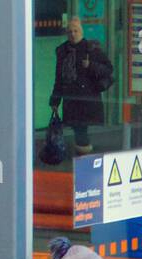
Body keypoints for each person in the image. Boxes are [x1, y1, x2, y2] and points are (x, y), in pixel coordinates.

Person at [49, 16, 114, 156]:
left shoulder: (91, 49)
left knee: (81, 130)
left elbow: (108, 69)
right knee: (79, 130)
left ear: (81, 32)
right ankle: (84, 156)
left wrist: (91, 65)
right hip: (71, 98)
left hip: (87, 98)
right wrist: (55, 100)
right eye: (70, 31)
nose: (72, 34)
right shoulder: (62, 51)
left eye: (76, 31)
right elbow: (59, 78)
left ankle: (85, 157)